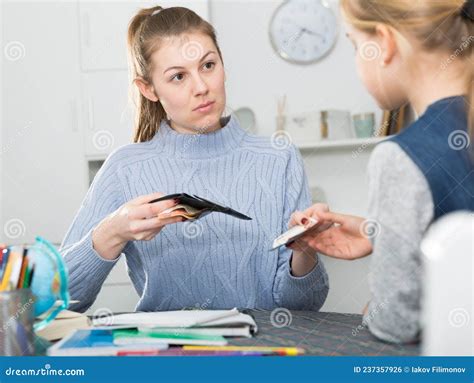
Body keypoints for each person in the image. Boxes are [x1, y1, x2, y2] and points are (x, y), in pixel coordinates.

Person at [60, 6, 329, 313]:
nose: (201, 87)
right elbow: (60, 302)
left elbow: (304, 307)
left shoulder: (279, 158)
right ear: (148, 89)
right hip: (169, 355)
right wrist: (112, 232)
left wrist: (305, 249)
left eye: (208, 65)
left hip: (264, 352)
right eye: (177, 77)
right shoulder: (125, 169)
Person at [289, 0, 474, 343]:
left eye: (356, 46)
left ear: (385, 44)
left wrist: (374, 310)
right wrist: (378, 232)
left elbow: (398, 321)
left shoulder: (399, 156)